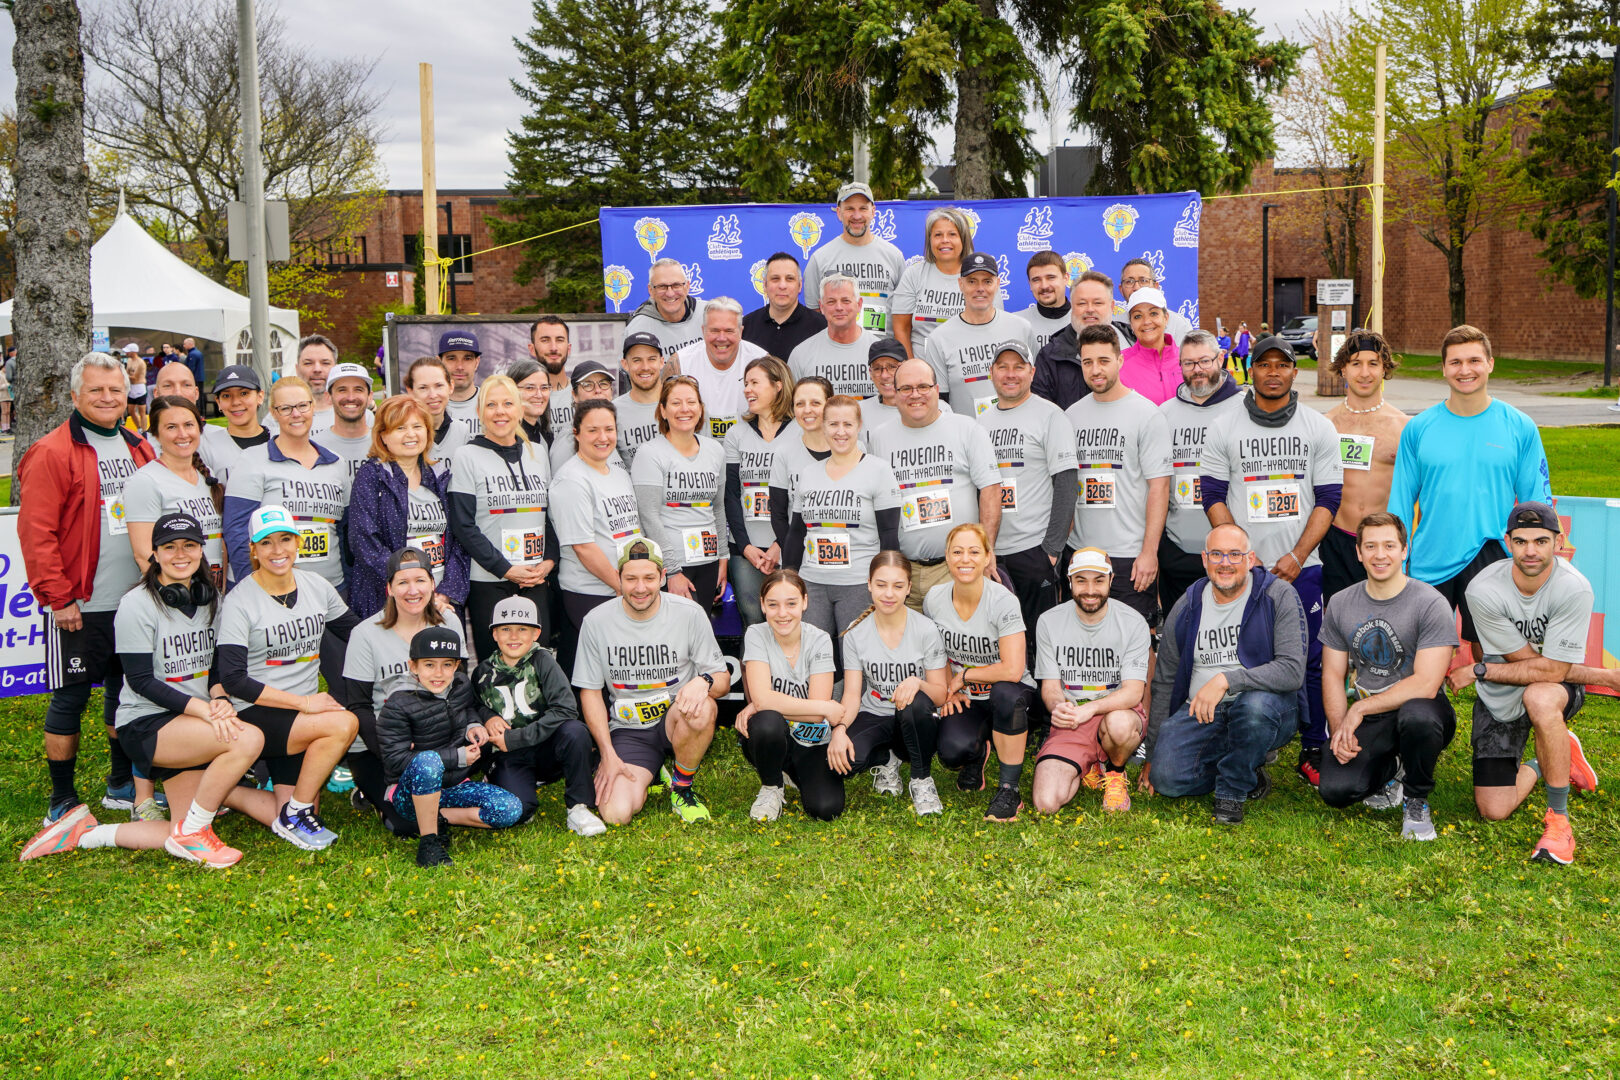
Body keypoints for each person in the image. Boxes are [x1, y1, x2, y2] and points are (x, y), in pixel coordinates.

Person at [20, 514, 269, 867]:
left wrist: (219, 697)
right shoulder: (137, 604)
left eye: (189, 545)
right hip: (146, 724)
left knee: (176, 828)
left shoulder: (210, 597)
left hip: (192, 724)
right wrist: (205, 711)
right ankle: (195, 833)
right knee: (248, 738)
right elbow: (139, 681)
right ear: (154, 553)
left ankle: (84, 833)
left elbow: (215, 667)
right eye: (169, 547)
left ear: (201, 550)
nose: (180, 554)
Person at [19, 351, 156, 824]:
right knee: (71, 697)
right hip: (81, 602)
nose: (106, 397)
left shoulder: (140, 446)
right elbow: (37, 533)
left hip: (135, 601)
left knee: (126, 692)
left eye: (115, 389)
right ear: (75, 395)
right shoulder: (52, 452)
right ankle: (62, 799)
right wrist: (58, 598)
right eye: (96, 390)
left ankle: (120, 784)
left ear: (127, 394)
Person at [1201, 335, 1342, 786]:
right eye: (1265, 364)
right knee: (1250, 655)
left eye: (1283, 364)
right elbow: (1212, 495)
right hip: (1244, 570)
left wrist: (1298, 556)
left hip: (1303, 566)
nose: (1274, 372)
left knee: (1313, 659)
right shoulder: (1224, 426)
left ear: (1294, 372)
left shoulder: (1317, 426)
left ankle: (1315, 746)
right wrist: (1243, 555)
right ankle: (1256, 742)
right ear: (1251, 371)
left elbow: (1329, 498)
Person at [1387, 326, 1552, 658]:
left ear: (1490, 363)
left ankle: (1494, 711)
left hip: (1491, 555)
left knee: (1492, 653)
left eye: (1474, 360)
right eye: (1456, 362)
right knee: (1425, 654)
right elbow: (1401, 501)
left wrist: (1537, 559)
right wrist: (1396, 556)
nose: (1465, 370)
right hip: (1431, 556)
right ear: (1444, 368)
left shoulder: (1519, 426)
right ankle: (1428, 709)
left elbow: (1535, 505)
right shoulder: (1419, 428)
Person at [1449, 502, 1600, 865]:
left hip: (1551, 686)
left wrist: (1480, 671)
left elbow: (1551, 674)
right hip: (1501, 696)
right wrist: (1604, 677)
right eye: (1520, 542)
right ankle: (1550, 757)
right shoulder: (1482, 589)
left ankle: (1559, 823)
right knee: (1493, 809)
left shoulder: (1574, 588)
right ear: (1507, 542)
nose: (1530, 551)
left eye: (1541, 541)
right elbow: (1529, 662)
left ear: (1558, 542)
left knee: (1540, 697)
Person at [216, 505, 361, 849]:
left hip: (297, 719)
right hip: (256, 712)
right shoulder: (239, 601)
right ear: (252, 549)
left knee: (287, 812)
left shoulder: (316, 585)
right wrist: (305, 704)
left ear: (298, 543)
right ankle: (297, 812)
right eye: (266, 543)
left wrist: (409, 626)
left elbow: (355, 630)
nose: (277, 550)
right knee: (343, 724)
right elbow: (233, 679)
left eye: (285, 539)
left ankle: (230, 792)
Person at [1147, 524, 1308, 824]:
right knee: (1168, 780)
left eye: (1235, 554)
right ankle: (1246, 762)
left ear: (1250, 559)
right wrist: (1153, 754)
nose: (1225, 563)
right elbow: (1166, 680)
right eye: (1217, 554)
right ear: (1204, 559)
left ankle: (1231, 791)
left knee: (1253, 708)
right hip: (1202, 710)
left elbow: (1292, 670)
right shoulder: (1187, 605)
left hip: (1264, 706)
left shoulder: (1278, 594)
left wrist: (1226, 680)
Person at [1318, 513, 1458, 840]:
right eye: (1371, 546)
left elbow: (1426, 682)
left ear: (1404, 551)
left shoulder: (1429, 603)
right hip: (1370, 715)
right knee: (1336, 791)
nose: (1380, 555)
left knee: (1417, 717)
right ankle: (1395, 766)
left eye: (1389, 546)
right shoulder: (1340, 603)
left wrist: (1359, 710)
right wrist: (1340, 730)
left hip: (1423, 709)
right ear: (1358, 553)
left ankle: (1416, 797)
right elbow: (1333, 674)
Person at [574, 538, 730, 824]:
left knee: (704, 707)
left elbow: (722, 680)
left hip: (677, 718)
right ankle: (652, 770)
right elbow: (590, 692)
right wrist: (608, 754)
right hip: (629, 729)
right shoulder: (596, 621)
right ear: (618, 578)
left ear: (662, 577)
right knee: (616, 814)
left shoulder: (689, 613)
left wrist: (703, 680)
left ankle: (681, 789)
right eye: (630, 578)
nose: (640, 587)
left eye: (649, 577)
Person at [341, 546, 465, 836]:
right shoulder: (365, 633)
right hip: (379, 748)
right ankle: (378, 794)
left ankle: (437, 801)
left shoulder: (449, 623)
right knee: (409, 825)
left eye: (420, 580)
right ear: (389, 588)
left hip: (435, 742)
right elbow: (358, 706)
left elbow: (459, 691)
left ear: (433, 585)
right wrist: (393, 751)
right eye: (402, 582)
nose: (413, 590)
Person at [378, 625, 522, 868]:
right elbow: (394, 759)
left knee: (510, 809)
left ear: (456, 666)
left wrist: (473, 726)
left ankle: (438, 818)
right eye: (429, 664)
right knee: (428, 761)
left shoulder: (460, 685)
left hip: (452, 787)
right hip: (410, 794)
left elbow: (467, 709)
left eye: (447, 664)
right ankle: (429, 843)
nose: (439, 673)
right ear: (413, 666)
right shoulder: (398, 704)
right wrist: (457, 757)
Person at [923, 523, 1037, 822]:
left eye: (974, 551)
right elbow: (936, 652)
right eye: (957, 552)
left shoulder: (1003, 601)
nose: (965, 559)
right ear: (946, 557)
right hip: (967, 696)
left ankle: (1010, 789)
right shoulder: (934, 598)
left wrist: (965, 676)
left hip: (1010, 693)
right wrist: (950, 686)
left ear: (988, 557)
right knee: (951, 752)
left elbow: (1012, 669)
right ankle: (976, 754)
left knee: (1005, 694)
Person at [868, 359, 1002, 609]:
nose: (915, 395)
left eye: (923, 386)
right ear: (894, 394)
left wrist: (986, 552)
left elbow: (991, 490)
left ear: (937, 390)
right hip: (902, 572)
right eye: (906, 388)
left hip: (954, 569)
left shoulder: (967, 429)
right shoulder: (878, 438)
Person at [1064, 324, 1173, 628]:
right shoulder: (1071, 416)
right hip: (1081, 552)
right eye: (1087, 362)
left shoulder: (1147, 414)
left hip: (1129, 555)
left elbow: (1159, 488)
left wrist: (1149, 552)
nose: (1095, 370)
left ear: (1120, 360)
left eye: (1103, 361)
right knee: (1086, 643)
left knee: (1139, 641)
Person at [1030, 548, 1153, 816]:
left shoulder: (1133, 623)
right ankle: (1089, 763)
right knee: (1046, 802)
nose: (1090, 590)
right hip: (1073, 718)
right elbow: (1050, 688)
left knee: (1119, 726)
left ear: (1110, 580)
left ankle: (1116, 772)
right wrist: (1057, 707)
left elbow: (1133, 692)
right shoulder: (1049, 622)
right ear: (1069, 581)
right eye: (1081, 580)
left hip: (1117, 713)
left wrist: (1092, 709)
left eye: (1098, 580)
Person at [976, 340, 1077, 653]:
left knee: (1041, 640)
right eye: (1003, 367)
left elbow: (1067, 483)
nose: (1010, 374)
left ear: (1031, 372)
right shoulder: (980, 423)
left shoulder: (1050, 415)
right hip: (992, 554)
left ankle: (1045, 703)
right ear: (991, 372)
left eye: (1018, 366)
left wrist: (1051, 550)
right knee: (1000, 641)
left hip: (1033, 550)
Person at [473, 596, 604, 836]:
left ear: (536, 633)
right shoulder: (483, 672)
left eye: (522, 629)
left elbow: (565, 709)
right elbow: (471, 705)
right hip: (508, 756)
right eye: (505, 629)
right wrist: (487, 715)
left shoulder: (542, 661)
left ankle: (578, 806)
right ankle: (506, 781)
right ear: (494, 634)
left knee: (575, 731)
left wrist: (514, 738)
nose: (514, 636)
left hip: (545, 747)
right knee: (520, 812)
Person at [449, 375, 556, 659]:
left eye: (508, 403)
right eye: (491, 404)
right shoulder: (466, 456)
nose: (500, 411)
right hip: (490, 579)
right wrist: (505, 569)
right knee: (493, 663)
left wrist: (549, 561)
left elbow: (550, 515)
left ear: (520, 409)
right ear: (479, 412)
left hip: (535, 578)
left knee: (537, 662)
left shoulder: (538, 452)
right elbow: (463, 524)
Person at [838, 551, 950, 814]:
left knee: (915, 702)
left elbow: (941, 694)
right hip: (874, 713)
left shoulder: (925, 629)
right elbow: (853, 694)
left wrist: (917, 683)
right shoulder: (856, 632)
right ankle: (887, 759)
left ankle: (921, 780)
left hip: (913, 718)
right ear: (869, 584)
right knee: (844, 763)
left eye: (898, 586)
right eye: (881, 585)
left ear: (909, 588)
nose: (889, 594)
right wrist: (840, 729)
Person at [784, 395, 902, 639]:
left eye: (847, 424)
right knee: (816, 656)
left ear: (859, 426)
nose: (840, 432)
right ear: (823, 426)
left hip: (858, 582)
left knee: (857, 656)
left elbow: (889, 534)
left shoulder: (878, 470)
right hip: (812, 582)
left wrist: (885, 582)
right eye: (833, 424)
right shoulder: (808, 473)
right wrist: (789, 577)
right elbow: (797, 531)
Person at [223, 376, 352, 597]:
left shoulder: (336, 463)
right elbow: (237, 532)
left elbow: (345, 531)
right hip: (271, 590)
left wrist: (348, 583)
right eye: (286, 408)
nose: (296, 414)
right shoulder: (251, 460)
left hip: (331, 589)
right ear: (273, 412)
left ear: (313, 407)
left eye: (303, 405)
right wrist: (253, 588)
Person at [735, 570, 844, 821]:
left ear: (805, 602)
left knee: (826, 809)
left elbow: (816, 717)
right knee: (767, 722)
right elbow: (818, 706)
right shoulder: (756, 634)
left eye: (791, 603)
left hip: (810, 739)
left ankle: (789, 771)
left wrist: (764, 702)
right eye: (773, 605)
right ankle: (771, 785)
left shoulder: (820, 639)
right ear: (762, 605)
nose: (782, 613)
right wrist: (762, 704)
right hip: (772, 735)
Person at [347, 394, 467, 619]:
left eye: (417, 426)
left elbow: (460, 540)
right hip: (390, 600)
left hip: (439, 602)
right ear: (383, 435)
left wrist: (445, 594)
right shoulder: (372, 476)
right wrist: (411, 588)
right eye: (400, 427)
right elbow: (363, 542)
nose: (411, 434)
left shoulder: (440, 476)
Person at [1157, 330, 1243, 613]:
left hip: (1229, 554)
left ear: (1220, 359)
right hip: (1178, 549)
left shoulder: (1244, 408)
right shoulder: (1164, 414)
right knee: (1180, 637)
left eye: (1204, 361)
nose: (1197, 370)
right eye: (1189, 363)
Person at [1320, 330, 1409, 603]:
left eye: (1373, 363)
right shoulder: (1325, 425)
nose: (1364, 372)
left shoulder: (1403, 426)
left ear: (1385, 369)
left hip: (1384, 543)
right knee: (1336, 622)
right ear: (1343, 369)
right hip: (1335, 540)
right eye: (1356, 363)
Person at [549, 400, 644, 653]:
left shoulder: (619, 473)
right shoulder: (571, 480)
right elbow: (583, 547)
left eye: (609, 429)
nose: (603, 437)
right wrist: (622, 586)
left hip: (626, 589)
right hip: (591, 592)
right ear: (576, 433)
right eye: (593, 430)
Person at [631, 375, 728, 611]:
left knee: (699, 633)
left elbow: (718, 507)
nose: (684, 409)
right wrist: (672, 571)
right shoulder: (650, 453)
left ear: (701, 408)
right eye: (675, 403)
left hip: (708, 561)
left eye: (691, 402)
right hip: (671, 565)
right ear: (663, 411)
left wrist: (723, 558)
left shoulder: (715, 450)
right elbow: (649, 517)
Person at [124, 396, 226, 597]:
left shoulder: (208, 476)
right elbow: (144, 554)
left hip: (212, 595)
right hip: (176, 597)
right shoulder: (145, 481)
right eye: (171, 427)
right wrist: (175, 594)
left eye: (189, 425)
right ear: (156, 434)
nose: (182, 434)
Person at [723, 355, 796, 626]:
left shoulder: (801, 431)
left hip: (788, 546)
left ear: (778, 385)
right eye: (745, 383)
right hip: (747, 549)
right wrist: (745, 547)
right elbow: (731, 495)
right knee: (753, 620)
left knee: (789, 620)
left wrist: (782, 543)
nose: (747, 389)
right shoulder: (736, 434)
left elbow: (802, 495)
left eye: (755, 382)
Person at [922, 251, 1036, 417]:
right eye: (972, 281)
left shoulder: (1022, 328)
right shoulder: (939, 338)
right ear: (960, 284)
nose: (980, 289)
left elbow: (1037, 386)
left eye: (987, 282)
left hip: (1019, 433)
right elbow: (940, 402)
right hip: (966, 437)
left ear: (997, 284)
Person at [803, 181, 907, 335]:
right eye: (850, 209)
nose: (857, 216)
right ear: (839, 213)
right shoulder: (820, 259)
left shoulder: (894, 256)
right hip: (837, 351)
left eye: (863, 208)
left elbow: (903, 314)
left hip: (882, 352)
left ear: (873, 211)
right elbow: (814, 313)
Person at [890, 206, 979, 357]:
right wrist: (911, 367)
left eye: (952, 234)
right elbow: (901, 327)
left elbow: (990, 327)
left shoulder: (979, 276)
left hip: (965, 369)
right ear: (929, 240)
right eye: (938, 235)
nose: (945, 240)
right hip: (922, 373)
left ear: (963, 239)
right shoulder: (914, 274)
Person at [674, 297, 767, 440]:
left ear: (741, 331)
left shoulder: (762, 361)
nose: (722, 338)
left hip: (748, 452)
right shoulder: (680, 362)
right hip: (696, 453)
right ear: (703, 330)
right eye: (715, 330)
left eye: (729, 331)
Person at [1033, 269, 1124, 410]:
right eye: (1082, 303)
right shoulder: (1050, 356)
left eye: (1098, 303)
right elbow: (1041, 413)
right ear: (1072, 307)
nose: (1089, 309)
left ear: (1112, 306)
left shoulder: (1133, 341)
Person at [768, 376, 834, 547]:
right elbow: (778, 515)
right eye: (800, 404)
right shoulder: (784, 453)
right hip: (799, 560)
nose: (807, 410)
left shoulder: (856, 448)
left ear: (830, 405)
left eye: (815, 403)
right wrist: (794, 555)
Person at [788, 275, 879, 399]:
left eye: (846, 301)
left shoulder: (879, 351)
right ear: (821, 306)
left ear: (859, 304)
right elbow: (792, 407)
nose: (839, 307)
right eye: (831, 301)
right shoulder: (801, 355)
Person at [743, 251, 827, 359]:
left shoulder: (822, 327)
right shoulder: (747, 327)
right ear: (765, 285)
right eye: (775, 279)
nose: (782, 286)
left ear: (800, 285)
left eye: (789, 279)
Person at [199, 365, 269, 489]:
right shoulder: (207, 446)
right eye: (226, 396)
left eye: (244, 393)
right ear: (218, 402)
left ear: (260, 396)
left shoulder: (280, 439)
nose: (236, 402)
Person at [548, 359, 621, 472]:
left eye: (603, 384)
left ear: (611, 391)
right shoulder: (568, 442)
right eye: (587, 385)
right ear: (574, 395)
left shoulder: (611, 433)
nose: (597, 390)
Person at [624, 257, 708, 355]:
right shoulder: (637, 328)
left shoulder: (710, 314)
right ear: (651, 290)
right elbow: (627, 368)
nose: (670, 293)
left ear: (687, 286)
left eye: (676, 285)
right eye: (662, 287)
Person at [1118, 287, 1182, 405]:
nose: (1146, 321)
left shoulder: (1187, 359)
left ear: (1166, 318)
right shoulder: (1119, 365)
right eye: (1138, 316)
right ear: (1131, 323)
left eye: (1153, 313)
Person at [614, 331, 665, 469]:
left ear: (661, 362)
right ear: (625, 364)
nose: (645, 367)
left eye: (652, 359)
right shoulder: (613, 412)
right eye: (637, 360)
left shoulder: (683, 405)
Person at [316, 363, 376, 480]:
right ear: (328, 397)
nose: (350, 397)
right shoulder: (315, 447)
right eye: (342, 390)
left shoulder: (386, 444)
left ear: (370, 397)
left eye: (358, 389)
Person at [1116, 259, 1192, 347]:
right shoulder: (1113, 325)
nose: (1136, 287)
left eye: (1143, 281)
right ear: (1121, 290)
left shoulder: (1179, 325)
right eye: (1129, 282)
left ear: (1156, 287)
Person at [528, 316, 575, 435]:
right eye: (545, 340)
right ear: (532, 349)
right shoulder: (521, 398)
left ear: (568, 348)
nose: (553, 348)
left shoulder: (584, 394)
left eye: (559, 340)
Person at [1018, 251, 1071, 348]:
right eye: (1036, 280)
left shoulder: (1086, 320)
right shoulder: (1016, 323)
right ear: (1030, 284)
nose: (1044, 286)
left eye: (1051, 277)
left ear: (1066, 278)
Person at [438, 329, 485, 440]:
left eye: (467, 358)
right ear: (439, 362)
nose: (459, 366)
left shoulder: (492, 403)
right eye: (451, 358)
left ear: (477, 362)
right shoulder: (429, 405)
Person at [504, 358, 555, 451]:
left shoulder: (546, 436)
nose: (539, 395)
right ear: (511, 390)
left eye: (544, 388)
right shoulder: (504, 439)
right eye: (530, 388)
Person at [294, 334, 339, 433]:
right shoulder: (277, 417)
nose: (317, 369)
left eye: (325, 363)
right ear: (297, 369)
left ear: (336, 369)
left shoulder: (357, 414)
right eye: (308, 363)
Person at [863, 338, 905, 432]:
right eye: (877, 368)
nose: (884, 375)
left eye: (892, 367)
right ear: (870, 373)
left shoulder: (929, 409)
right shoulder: (858, 412)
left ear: (906, 367)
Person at [124, 344, 149, 430]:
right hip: (131, 387)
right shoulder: (129, 360)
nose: (126, 353)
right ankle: (139, 427)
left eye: (128, 351)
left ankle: (144, 430)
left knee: (142, 411)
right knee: (131, 410)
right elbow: (127, 372)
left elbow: (135, 378)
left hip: (139, 387)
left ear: (133, 352)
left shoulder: (141, 363)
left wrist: (124, 375)